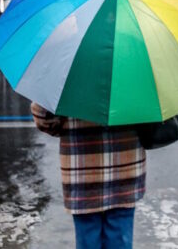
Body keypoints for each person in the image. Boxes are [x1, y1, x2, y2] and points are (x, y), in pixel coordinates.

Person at [32, 102, 145, 249]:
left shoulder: (67, 79)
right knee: (120, 236)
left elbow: (44, 119)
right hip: (125, 170)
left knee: (87, 237)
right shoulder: (133, 79)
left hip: (82, 171)